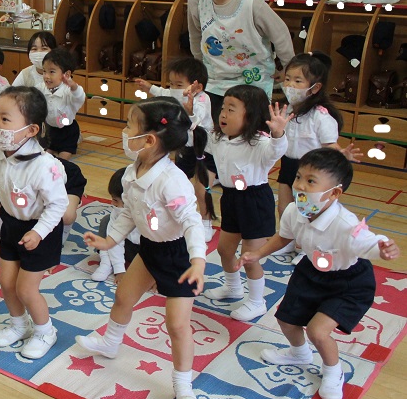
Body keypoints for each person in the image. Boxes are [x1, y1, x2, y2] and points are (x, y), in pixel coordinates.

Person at [237, 148, 400, 399]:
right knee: (286, 319)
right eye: (298, 177)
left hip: (348, 282)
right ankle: (299, 354)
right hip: (311, 272)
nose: (300, 185)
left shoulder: (345, 224)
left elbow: (370, 242)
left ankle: (334, 372)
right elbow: (283, 237)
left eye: (311, 181)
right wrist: (258, 253)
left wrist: (384, 248)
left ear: (334, 193)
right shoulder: (294, 210)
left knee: (318, 331)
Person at [75, 98, 207, 399]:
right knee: (123, 297)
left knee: (177, 324)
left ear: (149, 140)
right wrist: (110, 241)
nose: (124, 132)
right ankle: (110, 342)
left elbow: (192, 221)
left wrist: (198, 261)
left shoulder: (171, 181)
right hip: (149, 249)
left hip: (178, 257)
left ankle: (182, 381)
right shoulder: (131, 173)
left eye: (129, 126)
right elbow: (129, 213)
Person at [0, 87, 69, 360]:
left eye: (5, 119)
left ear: (31, 130)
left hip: (40, 229)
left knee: (26, 288)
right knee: (6, 282)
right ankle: (19, 324)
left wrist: (39, 232)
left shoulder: (44, 167)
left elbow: (58, 205)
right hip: (11, 223)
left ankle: (45, 331)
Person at [203, 85, 290, 321]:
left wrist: (278, 134)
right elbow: (197, 134)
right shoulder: (218, 138)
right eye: (223, 108)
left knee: (250, 257)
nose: (223, 114)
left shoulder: (260, 142)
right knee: (224, 250)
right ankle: (233, 287)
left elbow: (276, 151)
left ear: (250, 116)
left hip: (255, 201)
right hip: (231, 198)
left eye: (231, 110)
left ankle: (257, 302)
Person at [187, 0, 294, 125]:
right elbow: (195, 35)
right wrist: (200, 69)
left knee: (249, 134)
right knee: (215, 132)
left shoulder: (252, 3)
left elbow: (281, 35)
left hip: (252, 81)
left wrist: (288, 70)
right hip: (215, 79)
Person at [276, 53, 360, 253]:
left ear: (315, 88)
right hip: (288, 164)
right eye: (287, 79)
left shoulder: (321, 116)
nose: (290, 85)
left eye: (298, 81)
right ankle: (288, 241)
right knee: (285, 208)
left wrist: (342, 155)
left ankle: (306, 248)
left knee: (308, 211)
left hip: (312, 171)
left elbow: (330, 145)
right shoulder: (286, 110)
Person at [136, 56, 216, 240]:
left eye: (179, 85)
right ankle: (177, 217)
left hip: (205, 151)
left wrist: (190, 110)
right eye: (172, 83)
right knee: (178, 186)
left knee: (202, 189)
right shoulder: (176, 94)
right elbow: (165, 93)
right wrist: (150, 87)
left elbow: (198, 117)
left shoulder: (202, 99)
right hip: (185, 149)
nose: (174, 88)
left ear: (198, 87)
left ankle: (206, 222)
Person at [92, 168, 141, 283]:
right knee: (106, 221)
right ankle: (106, 262)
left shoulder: (149, 216)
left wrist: (154, 275)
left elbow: (159, 249)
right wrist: (119, 270)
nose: (112, 203)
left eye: (115, 200)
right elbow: (114, 240)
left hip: (146, 254)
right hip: (127, 248)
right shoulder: (117, 213)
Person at [38, 48, 85, 160]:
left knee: (63, 159)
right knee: (45, 156)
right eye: (44, 71)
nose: (46, 76)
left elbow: (79, 97)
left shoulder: (68, 91)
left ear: (66, 74)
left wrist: (73, 86)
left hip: (68, 132)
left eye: (52, 72)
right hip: (51, 130)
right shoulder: (41, 88)